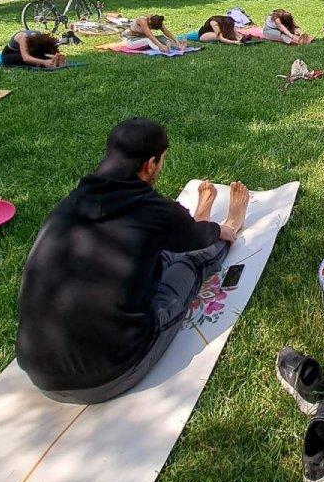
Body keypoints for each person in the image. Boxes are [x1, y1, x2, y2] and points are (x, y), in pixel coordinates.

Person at [16, 117, 249, 403]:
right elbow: (195, 243)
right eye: (161, 161)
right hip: (111, 371)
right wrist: (224, 230)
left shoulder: (69, 204)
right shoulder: (154, 211)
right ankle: (230, 225)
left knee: (160, 248)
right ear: (150, 164)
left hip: (39, 372)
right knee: (190, 261)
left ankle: (197, 222)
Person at [1, 30, 65, 69]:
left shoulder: (38, 37)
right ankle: (46, 65)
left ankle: (54, 62)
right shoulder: (22, 37)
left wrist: (56, 55)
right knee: (32, 61)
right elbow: (26, 58)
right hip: (9, 55)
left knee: (39, 57)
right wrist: (45, 62)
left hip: (29, 52)